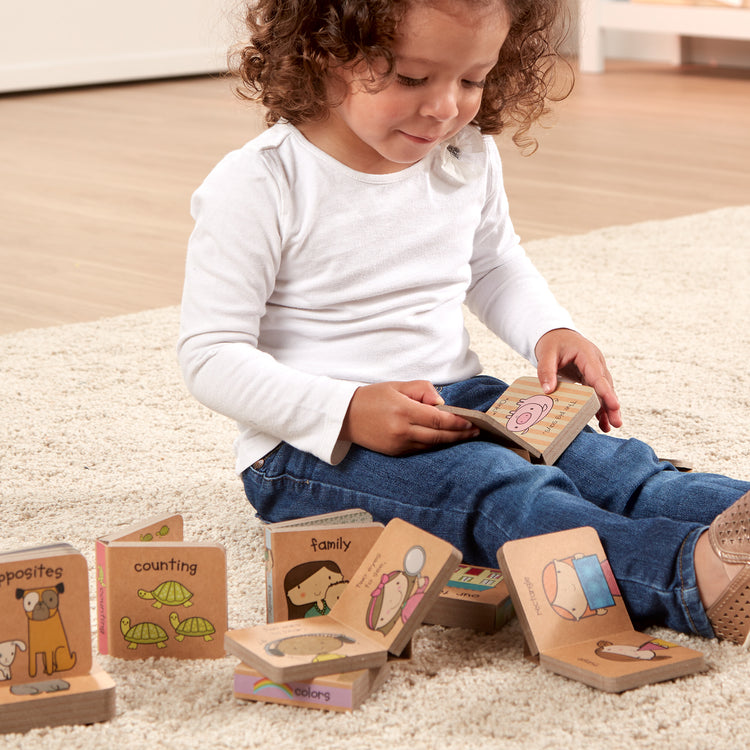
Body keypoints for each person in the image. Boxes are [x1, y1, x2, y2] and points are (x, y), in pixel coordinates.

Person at [178, 0, 750, 645]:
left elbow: (492, 264)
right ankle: (682, 578)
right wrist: (345, 409)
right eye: (413, 79)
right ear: (324, 52)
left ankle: (733, 520)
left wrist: (549, 332)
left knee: (607, 466)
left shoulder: (463, 152)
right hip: (309, 449)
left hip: (461, 399)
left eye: (472, 80)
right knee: (500, 489)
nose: (446, 107)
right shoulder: (260, 181)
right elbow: (209, 354)